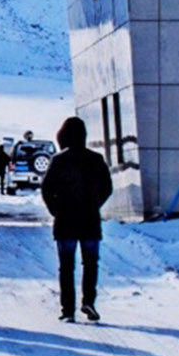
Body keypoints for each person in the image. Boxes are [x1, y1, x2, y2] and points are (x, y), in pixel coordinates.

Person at [42, 114, 112, 323]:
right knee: (90, 264)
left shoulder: (58, 160)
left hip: (65, 221)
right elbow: (107, 188)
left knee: (66, 266)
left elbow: (46, 189)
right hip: (90, 220)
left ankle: (68, 309)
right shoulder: (96, 159)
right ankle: (88, 301)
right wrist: (94, 204)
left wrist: (56, 209)